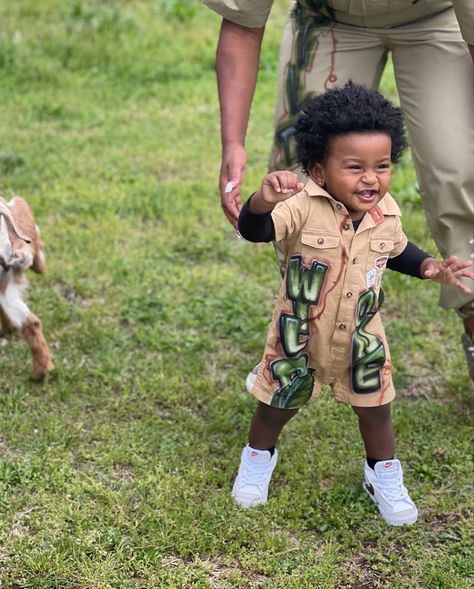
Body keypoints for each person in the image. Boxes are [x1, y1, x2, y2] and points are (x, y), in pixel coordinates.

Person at [232, 83, 474, 526]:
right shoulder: (300, 205)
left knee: (376, 408)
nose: (371, 178)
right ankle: (257, 457)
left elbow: (396, 249)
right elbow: (256, 230)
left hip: (362, 334)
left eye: (381, 166)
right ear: (319, 172)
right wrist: (263, 200)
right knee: (277, 401)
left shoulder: (388, 211)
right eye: (355, 167)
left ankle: (382, 473)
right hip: (300, 331)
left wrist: (429, 268)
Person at [203, 0, 474, 378]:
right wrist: (232, 143)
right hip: (328, 17)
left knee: (458, 169)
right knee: (300, 180)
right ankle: (305, 331)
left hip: (440, 17)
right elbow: (242, 21)